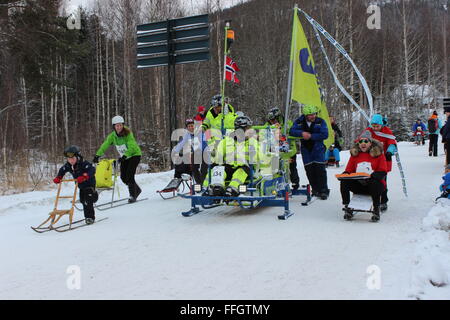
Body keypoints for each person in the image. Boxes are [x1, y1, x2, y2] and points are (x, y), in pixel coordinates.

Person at [93, 116, 142, 203]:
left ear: (123, 125)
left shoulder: (128, 134)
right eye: (117, 126)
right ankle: (136, 190)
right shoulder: (112, 136)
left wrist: (125, 156)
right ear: (114, 127)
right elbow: (105, 145)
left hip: (134, 155)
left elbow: (132, 147)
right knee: (123, 177)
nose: (119, 127)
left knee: (129, 175)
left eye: (120, 125)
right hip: (125, 157)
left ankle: (132, 195)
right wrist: (97, 155)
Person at [339, 133, 387, 222]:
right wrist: (344, 175)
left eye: (366, 141)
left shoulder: (379, 155)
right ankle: (347, 206)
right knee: (344, 181)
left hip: (374, 185)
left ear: (370, 143)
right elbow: (349, 170)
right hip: (359, 184)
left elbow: (383, 171)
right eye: (361, 141)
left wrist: (372, 176)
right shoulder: (355, 155)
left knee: (375, 182)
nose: (363, 143)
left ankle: (376, 209)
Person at [289, 104, 329, 200]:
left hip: (318, 148)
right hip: (306, 149)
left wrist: (311, 136)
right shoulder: (299, 122)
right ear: (306, 115)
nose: (313, 116)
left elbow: (325, 134)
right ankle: (315, 189)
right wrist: (301, 133)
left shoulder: (320, 122)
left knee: (320, 170)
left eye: (314, 114)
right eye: (310, 115)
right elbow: (292, 131)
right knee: (309, 170)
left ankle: (323, 190)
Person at [54, 145, 98, 225]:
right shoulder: (68, 165)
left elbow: (92, 170)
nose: (71, 161)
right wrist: (59, 177)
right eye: (69, 159)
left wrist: (85, 176)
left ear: (78, 157)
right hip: (80, 185)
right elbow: (62, 170)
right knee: (82, 200)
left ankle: (90, 217)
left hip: (89, 184)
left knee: (87, 201)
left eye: (73, 158)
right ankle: (92, 200)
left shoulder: (84, 163)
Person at [362, 114, 397, 212]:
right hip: (370, 161)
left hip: (383, 160)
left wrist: (389, 151)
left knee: (382, 181)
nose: (375, 128)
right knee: (368, 180)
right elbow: (361, 140)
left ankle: (383, 201)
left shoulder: (386, 131)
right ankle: (369, 198)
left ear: (381, 124)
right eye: (374, 126)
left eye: (377, 126)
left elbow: (392, 142)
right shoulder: (368, 131)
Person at [265, 107, 300, 190]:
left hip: (289, 151)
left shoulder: (287, 124)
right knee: (273, 167)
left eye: (274, 120)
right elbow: (263, 133)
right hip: (275, 150)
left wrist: (289, 136)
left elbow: (294, 132)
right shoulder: (268, 126)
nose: (272, 122)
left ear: (279, 118)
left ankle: (295, 183)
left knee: (291, 167)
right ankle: (272, 183)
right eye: (271, 120)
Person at [173, 118, 208, 185]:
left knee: (204, 169)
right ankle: (199, 184)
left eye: (192, 126)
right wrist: (175, 150)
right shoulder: (187, 134)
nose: (190, 128)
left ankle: (204, 184)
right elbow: (181, 143)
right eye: (189, 126)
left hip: (205, 152)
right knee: (194, 168)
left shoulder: (199, 132)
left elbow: (203, 143)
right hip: (196, 152)